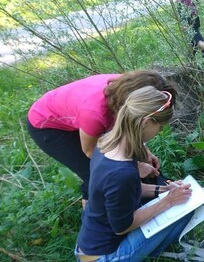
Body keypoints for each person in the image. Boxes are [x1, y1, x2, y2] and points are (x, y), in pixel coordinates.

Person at [75, 86, 193, 261]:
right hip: (105, 256)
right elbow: (122, 226)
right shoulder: (122, 173)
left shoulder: (106, 143)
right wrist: (169, 201)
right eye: (159, 127)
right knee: (186, 210)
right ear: (146, 122)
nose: (159, 132)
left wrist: (165, 190)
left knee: (176, 201)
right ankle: (153, 253)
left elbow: (127, 190)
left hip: (89, 244)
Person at [27, 71, 176, 206]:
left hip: (79, 114)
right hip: (48, 125)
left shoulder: (127, 91)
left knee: (122, 164)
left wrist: (143, 151)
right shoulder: (95, 113)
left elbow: (131, 130)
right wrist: (137, 166)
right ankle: (93, 222)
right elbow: (92, 152)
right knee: (95, 173)